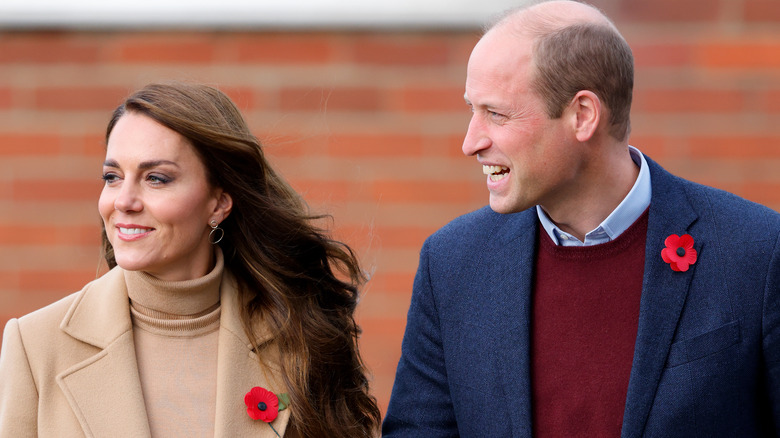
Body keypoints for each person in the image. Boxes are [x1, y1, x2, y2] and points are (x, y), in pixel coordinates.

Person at [383, 1, 780, 437]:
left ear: (582, 115)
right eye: (472, 110)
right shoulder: (453, 263)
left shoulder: (756, 253)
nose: (470, 142)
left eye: (496, 114)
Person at [0, 82, 381, 437]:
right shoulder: (35, 345)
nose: (123, 201)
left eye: (156, 179)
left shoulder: (300, 333)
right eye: (112, 176)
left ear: (218, 203)